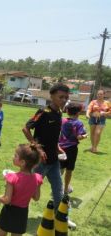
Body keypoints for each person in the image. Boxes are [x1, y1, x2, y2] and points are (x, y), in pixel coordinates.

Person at [22, 83, 77, 228]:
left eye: (66, 97)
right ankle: (19, 214)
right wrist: (37, 147)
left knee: (58, 191)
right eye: (61, 97)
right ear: (51, 96)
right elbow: (25, 128)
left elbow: (52, 136)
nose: (64, 100)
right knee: (30, 190)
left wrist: (58, 148)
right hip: (40, 161)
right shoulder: (43, 112)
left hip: (54, 161)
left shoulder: (59, 113)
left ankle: (62, 218)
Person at [0, 143, 43, 236]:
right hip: (22, 213)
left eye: (15, 156)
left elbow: (7, 200)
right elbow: (36, 197)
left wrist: (0, 198)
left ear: (22, 162)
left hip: (9, 211)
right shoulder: (37, 178)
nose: (13, 157)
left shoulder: (11, 177)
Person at [59, 103, 87, 194]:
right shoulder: (79, 123)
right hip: (72, 149)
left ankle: (57, 187)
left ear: (67, 111)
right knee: (69, 169)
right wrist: (85, 136)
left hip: (60, 148)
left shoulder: (62, 120)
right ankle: (66, 188)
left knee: (60, 168)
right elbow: (79, 137)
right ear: (78, 113)